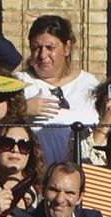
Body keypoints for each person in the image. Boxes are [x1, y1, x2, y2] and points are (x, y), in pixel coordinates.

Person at [17, 13, 100, 165]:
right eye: (36, 48)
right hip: (37, 174)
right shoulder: (20, 82)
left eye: (50, 47)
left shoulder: (90, 84)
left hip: (82, 175)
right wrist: (22, 109)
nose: (43, 55)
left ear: (67, 47)